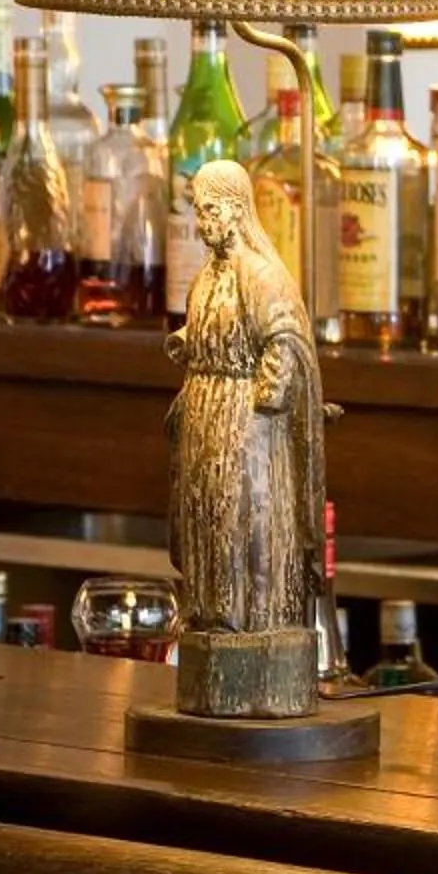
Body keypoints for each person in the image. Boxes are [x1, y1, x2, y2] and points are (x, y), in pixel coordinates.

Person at [164, 160, 325, 638]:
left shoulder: (260, 274)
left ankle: (245, 619)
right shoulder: (207, 276)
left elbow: (285, 337)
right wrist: (189, 342)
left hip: (242, 418)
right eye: (199, 211)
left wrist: (264, 397)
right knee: (203, 514)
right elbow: (215, 324)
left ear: (236, 209)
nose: (202, 222)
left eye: (210, 210)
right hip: (203, 413)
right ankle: (208, 613)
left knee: (239, 517)